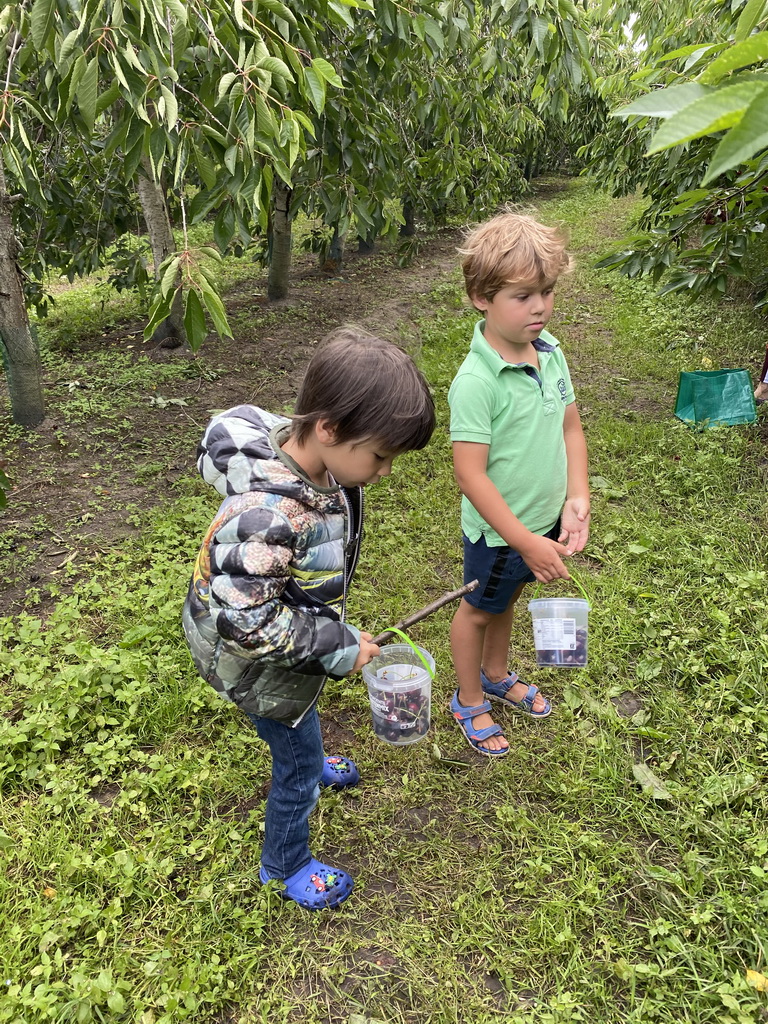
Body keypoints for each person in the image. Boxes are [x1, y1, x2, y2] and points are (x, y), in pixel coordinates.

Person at [182, 326, 435, 908]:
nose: (384, 472)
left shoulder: (313, 457)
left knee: (308, 726)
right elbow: (246, 623)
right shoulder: (268, 517)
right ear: (329, 429)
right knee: (295, 764)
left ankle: (314, 758)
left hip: (293, 640)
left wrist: (331, 635)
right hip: (256, 665)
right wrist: (337, 647)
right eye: (379, 456)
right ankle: (285, 864)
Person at [447, 212, 590, 757]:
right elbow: (470, 474)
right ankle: (467, 697)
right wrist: (524, 541)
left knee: (507, 597)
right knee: (479, 608)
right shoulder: (478, 381)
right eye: (523, 295)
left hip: (540, 521)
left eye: (547, 292)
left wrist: (577, 496)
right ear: (481, 297)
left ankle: (496, 673)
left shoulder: (549, 351)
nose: (540, 307)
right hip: (500, 532)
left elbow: (570, 426)